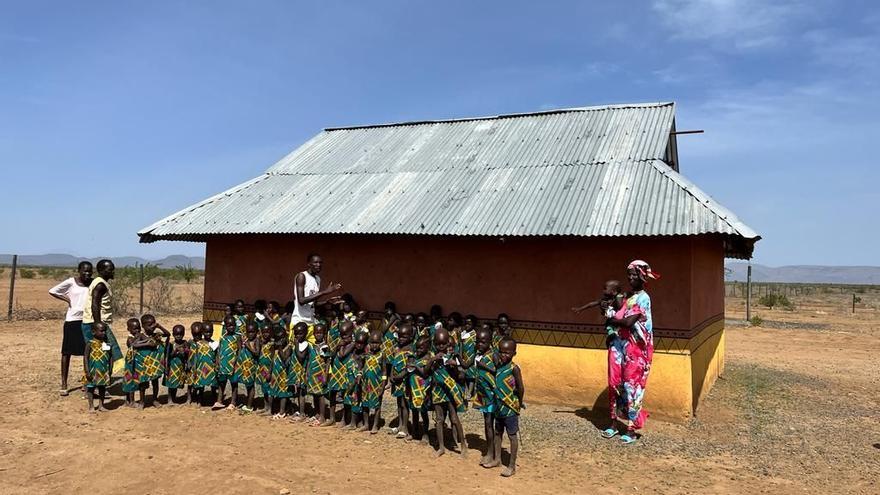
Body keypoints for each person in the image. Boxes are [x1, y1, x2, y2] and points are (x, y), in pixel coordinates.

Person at [603, 260, 659, 444]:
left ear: (643, 276)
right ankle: (612, 423)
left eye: (634, 274)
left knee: (632, 386)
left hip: (636, 350)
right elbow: (611, 312)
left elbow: (628, 322)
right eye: (629, 275)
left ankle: (631, 428)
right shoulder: (625, 296)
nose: (630, 278)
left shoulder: (644, 298)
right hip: (618, 345)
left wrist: (613, 318)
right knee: (614, 383)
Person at [48, 261, 92, 396]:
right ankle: (64, 383)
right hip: (72, 321)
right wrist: (67, 299)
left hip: (87, 320)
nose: (87, 273)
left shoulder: (93, 283)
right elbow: (53, 291)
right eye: (84, 271)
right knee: (66, 352)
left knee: (88, 352)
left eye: (90, 271)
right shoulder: (71, 282)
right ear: (78, 271)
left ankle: (87, 382)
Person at [487, 338, 524, 477]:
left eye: (507, 353)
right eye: (501, 352)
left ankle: (512, 466)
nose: (503, 355)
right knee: (498, 432)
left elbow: (520, 387)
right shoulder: (498, 366)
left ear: (514, 353)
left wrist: (519, 402)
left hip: (510, 407)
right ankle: (497, 459)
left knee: (512, 435)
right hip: (498, 406)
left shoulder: (514, 368)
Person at [429, 327, 467, 458]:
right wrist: (432, 360)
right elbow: (426, 371)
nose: (441, 346)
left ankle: (463, 445)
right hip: (437, 390)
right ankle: (441, 447)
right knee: (439, 420)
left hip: (450, 391)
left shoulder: (453, 357)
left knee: (454, 418)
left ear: (448, 344)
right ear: (434, 343)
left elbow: (460, 375)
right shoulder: (432, 356)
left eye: (443, 344)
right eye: (438, 344)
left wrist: (454, 366)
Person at [292, 253, 343, 344]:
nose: (318, 265)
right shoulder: (302, 276)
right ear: (309, 264)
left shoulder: (317, 279)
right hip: (299, 322)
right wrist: (324, 292)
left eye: (320, 262)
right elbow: (301, 300)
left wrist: (326, 302)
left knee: (314, 351)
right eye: (315, 262)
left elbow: (313, 304)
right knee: (298, 353)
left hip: (311, 322)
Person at [81, 259, 122, 365]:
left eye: (113, 269)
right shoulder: (100, 285)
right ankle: (92, 378)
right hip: (95, 323)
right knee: (99, 350)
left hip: (98, 323)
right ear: (101, 270)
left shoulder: (101, 283)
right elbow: (95, 304)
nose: (112, 272)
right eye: (110, 270)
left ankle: (102, 376)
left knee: (105, 350)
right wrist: (97, 324)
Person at [471, 326, 498, 467]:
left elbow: (498, 371)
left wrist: (483, 366)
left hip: (492, 396)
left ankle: (492, 453)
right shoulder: (478, 355)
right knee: (487, 424)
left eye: (482, 342)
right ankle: (490, 451)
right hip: (483, 395)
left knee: (491, 424)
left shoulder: (493, 355)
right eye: (477, 342)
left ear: (490, 342)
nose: (479, 344)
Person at [325, 320, 355, 427]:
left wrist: (340, 346)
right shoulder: (340, 341)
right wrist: (337, 347)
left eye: (345, 335)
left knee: (345, 395)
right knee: (332, 392)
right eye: (341, 335)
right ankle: (332, 418)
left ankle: (344, 419)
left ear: (352, 332)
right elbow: (332, 355)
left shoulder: (352, 344)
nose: (343, 337)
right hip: (336, 370)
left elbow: (342, 355)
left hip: (346, 372)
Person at [388, 322, 414, 439]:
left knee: (404, 404)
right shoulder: (397, 348)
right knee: (399, 403)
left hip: (405, 381)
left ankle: (405, 427)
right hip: (397, 380)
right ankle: (399, 425)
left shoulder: (411, 351)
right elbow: (393, 363)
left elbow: (410, 367)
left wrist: (400, 376)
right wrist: (391, 375)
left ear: (411, 337)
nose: (401, 339)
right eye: (400, 336)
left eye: (404, 336)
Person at [407, 335, 433, 444]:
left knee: (423, 411)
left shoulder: (430, 358)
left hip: (423, 388)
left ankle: (425, 434)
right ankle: (414, 431)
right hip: (414, 388)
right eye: (417, 348)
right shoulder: (415, 357)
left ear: (428, 347)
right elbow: (408, 370)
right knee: (414, 411)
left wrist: (416, 366)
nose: (418, 350)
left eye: (421, 348)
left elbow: (425, 373)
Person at [359, 330, 386, 434]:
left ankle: (375, 425)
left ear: (381, 343)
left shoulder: (382, 355)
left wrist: (383, 386)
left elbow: (384, 371)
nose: (374, 345)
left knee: (377, 406)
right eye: (372, 343)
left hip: (377, 385)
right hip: (366, 384)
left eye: (377, 343)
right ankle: (366, 424)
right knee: (365, 404)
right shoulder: (366, 355)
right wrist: (359, 375)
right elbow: (361, 368)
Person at [141, 314, 169, 407]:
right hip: (145, 363)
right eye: (149, 325)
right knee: (143, 383)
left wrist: (159, 326)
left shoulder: (156, 335)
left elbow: (168, 334)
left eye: (153, 324)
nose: (152, 326)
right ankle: (142, 401)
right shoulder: (141, 336)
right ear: (143, 326)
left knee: (155, 382)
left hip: (155, 363)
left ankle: (155, 399)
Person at [305, 323, 330, 425]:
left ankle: (322, 416)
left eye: (320, 333)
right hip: (312, 373)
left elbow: (327, 361)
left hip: (320, 374)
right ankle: (317, 414)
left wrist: (325, 375)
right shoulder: (312, 346)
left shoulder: (324, 347)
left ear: (324, 334)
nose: (318, 335)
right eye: (316, 332)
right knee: (314, 394)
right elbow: (308, 360)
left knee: (321, 395)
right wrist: (307, 373)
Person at [84, 321, 112, 413]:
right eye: (101, 331)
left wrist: (110, 369)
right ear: (93, 332)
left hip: (103, 370)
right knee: (91, 387)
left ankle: (101, 405)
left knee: (102, 387)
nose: (103, 333)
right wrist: (87, 371)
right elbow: (86, 357)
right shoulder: (90, 343)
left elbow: (111, 356)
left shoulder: (107, 344)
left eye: (105, 331)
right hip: (93, 370)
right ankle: (91, 406)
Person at [232, 322, 260, 411]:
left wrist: (249, 347)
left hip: (251, 366)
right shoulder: (245, 339)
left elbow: (257, 353)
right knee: (244, 384)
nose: (250, 334)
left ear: (257, 332)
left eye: (252, 332)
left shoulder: (256, 340)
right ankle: (247, 403)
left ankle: (249, 406)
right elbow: (240, 350)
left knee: (250, 385)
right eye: (248, 332)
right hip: (243, 365)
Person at [215, 316, 240, 410]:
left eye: (233, 325)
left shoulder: (237, 337)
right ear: (225, 326)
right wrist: (217, 362)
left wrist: (237, 362)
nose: (231, 327)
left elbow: (239, 350)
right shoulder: (222, 337)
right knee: (222, 383)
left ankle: (233, 402)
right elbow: (219, 350)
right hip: (223, 364)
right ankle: (219, 401)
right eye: (229, 325)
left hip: (233, 364)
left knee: (234, 383)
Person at [269, 325, 293, 418]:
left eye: (283, 338)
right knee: (272, 391)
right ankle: (271, 409)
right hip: (275, 374)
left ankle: (282, 412)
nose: (281, 340)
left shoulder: (288, 348)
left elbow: (284, 359)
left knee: (283, 393)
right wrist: (269, 372)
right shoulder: (273, 348)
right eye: (278, 339)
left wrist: (279, 348)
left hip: (284, 374)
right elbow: (272, 360)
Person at [164, 325, 189, 406]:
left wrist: (185, 351)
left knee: (177, 383)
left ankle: (174, 398)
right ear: (173, 334)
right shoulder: (171, 344)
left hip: (180, 366)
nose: (179, 336)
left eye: (181, 334)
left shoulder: (185, 343)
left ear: (184, 334)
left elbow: (187, 353)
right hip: (172, 367)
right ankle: (170, 399)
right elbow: (168, 356)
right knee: (171, 384)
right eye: (177, 334)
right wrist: (175, 352)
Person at [290, 321, 310, 421]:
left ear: (306, 333)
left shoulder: (305, 344)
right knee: (295, 392)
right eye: (296, 334)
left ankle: (302, 413)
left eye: (300, 333)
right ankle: (296, 410)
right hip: (294, 371)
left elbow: (301, 357)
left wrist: (297, 345)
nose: (298, 336)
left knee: (301, 393)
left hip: (302, 372)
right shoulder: (295, 343)